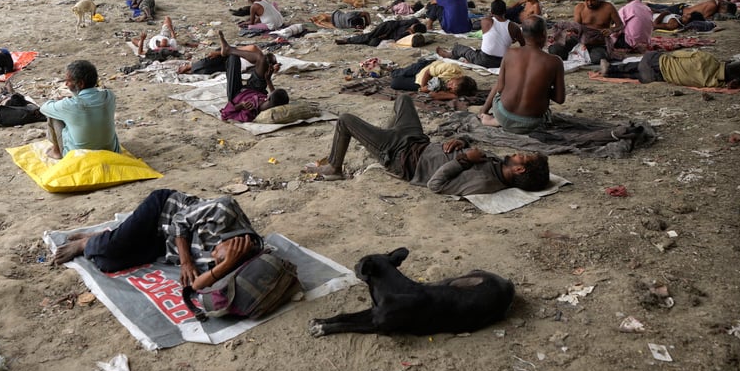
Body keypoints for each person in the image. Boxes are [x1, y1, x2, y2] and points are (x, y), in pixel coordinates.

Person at [303, 92, 550, 188]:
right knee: (403, 100)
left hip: (401, 157)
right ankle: (383, 138)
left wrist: (463, 159)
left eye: (523, 157)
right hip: (417, 142)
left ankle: (334, 167)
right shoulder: (499, 166)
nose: (518, 153)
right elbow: (466, 153)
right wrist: (461, 142)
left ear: (519, 169)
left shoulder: (485, 182)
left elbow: (436, 184)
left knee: (345, 119)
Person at [50, 188, 262, 295]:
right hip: (163, 211)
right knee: (111, 246)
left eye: (217, 259)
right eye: (217, 250)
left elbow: (197, 285)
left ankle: (100, 238)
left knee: (107, 263)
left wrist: (224, 265)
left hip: (167, 244)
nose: (212, 254)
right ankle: (85, 243)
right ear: (234, 239)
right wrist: (187, 262)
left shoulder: (232, 260)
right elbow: (180, 221)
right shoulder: (225, 210)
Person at [479, 16, 566, 134]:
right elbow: (560, 99)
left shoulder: (510, 53)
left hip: (503, 114)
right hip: (531, 123)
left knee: (501, 82)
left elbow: (500, 88)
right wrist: (540, 87)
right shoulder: (555, 61)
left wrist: (484, 111)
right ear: (544, 34)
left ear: (523, 34)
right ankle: (500, 121)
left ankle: (489, 116)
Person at [39, 60, 120, 159]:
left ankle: (57, 152)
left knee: (53, 115)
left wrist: (59, 101)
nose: (66, 84)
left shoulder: (69, 105)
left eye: (68, 81)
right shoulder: (109, 96)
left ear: (81, 84)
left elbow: (44, 108)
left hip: (79, 157)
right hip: (110, 150)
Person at [217, 31, 288, 122]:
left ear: (269, 98)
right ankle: (229, 49)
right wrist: (268, 80)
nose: (270, 92)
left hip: (237, 95)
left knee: (233, 58)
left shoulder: (251, 110)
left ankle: (229, 50)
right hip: (256, 90)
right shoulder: (269, 102)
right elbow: (274, 97)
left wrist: (241, 105)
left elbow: (225, 114)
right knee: (262, 59)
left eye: (271, 93)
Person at [548, 0, 623, 65]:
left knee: (599, 57)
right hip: (580, 41)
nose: (589, 3)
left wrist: (611, 30)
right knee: (554, 50)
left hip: (597, 43)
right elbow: (577, 28)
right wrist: (570, 31)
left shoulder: (608, 7)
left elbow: (620, 25)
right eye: (587, 0)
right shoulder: (579, 8)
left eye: (593, 0)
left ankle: (579, 55)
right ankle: (576, 54)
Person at [438, 0, 523, 69]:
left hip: (484, 60)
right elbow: (524, 44)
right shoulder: (514, 27)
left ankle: (448, 55)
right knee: (478, 51)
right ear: (505, 11)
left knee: (458, 48)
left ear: (492, 12)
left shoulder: (486, 21)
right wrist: (513, 40)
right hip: (503, 61)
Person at [600, 51, 740, 89]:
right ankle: (618, 73)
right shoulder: (713, 83)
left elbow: (676, 55)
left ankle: (612, 68)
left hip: (653, 63)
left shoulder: (707, 58)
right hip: (652, 78)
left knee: (656, 58)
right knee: (639, 74)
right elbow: (727, 84)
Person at [388, 58, 478, 100]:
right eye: (451, 84)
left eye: (451, 89)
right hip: (425, 69)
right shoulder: (452, 69)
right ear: (458, 78)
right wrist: (423, 87)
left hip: (425, 82)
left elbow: (432, 94)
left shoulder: (456, 90)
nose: (449, 86)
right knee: (397, 73)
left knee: (395, 83)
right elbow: (428, 72)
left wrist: (453, 96)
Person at [336, 18, 425, 47]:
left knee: (372, 42)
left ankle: (354, 40)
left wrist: (407, 32)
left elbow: (397, 39)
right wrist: (385, 34)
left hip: (387, 36)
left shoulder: (409, 34)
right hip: (387, 27)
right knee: (370, 35)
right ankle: (347, 40)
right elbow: (395, 23)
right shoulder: (412, 21)